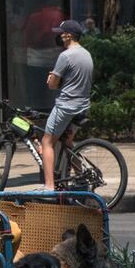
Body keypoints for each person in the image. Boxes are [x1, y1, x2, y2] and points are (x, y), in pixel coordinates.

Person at [42, 20, 93, 190]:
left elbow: (52, 85)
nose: (60, 35)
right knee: (68, 145)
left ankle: (49, 187)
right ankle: (82, 176)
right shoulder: (86, 54)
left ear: (69, 35)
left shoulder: (65, 56)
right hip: (83, 107)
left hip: (66, 107)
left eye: (62, 32)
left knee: (47, 142)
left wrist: (51, 79)